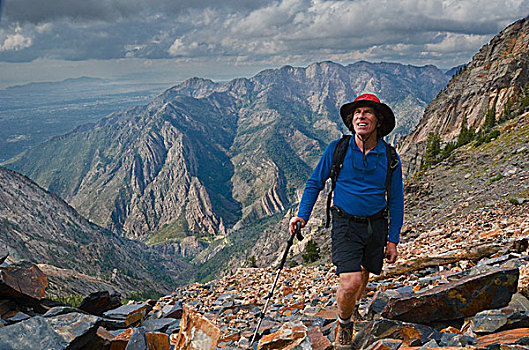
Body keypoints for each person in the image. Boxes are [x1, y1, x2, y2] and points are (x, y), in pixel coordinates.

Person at [289, 93, 404, 350]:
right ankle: (345, 322)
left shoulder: (390, 156)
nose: (361, 116)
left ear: (378, 121)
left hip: (377, 223)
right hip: (345, 223)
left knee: (364, 272)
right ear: (352, 120)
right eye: (357, 113)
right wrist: (302, 215)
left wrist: (393, 239)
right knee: (350, 282)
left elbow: (396, 199)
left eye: (367, 112)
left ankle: (352, 308)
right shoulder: (338, 149)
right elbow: (314, 183)